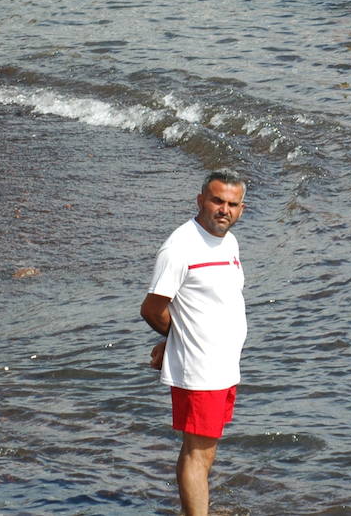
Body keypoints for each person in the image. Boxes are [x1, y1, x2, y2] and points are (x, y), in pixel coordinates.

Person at [140, 171, 249, 516]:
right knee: (196, 453)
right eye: (217, 201)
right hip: (200, 367)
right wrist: (174, 340)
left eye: (232, 204)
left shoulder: (228, 242)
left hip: (224, 364)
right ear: (200, 200)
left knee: (203, 449)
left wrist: (172, 337)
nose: (224, 210)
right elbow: (152, 308)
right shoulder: (179, 248)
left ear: (241, 209)